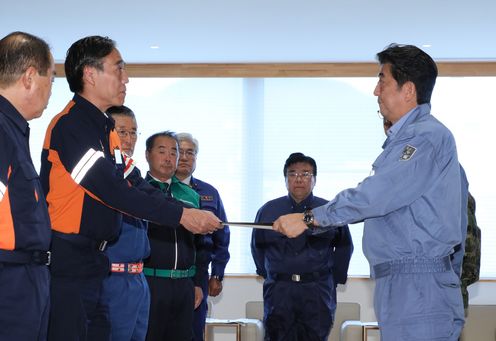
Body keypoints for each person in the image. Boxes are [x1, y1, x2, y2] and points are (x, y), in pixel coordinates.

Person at [273, 44, 465, 341]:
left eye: (382, 81)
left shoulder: (425, 138)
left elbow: (376, 195)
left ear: (408, 90)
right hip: (409, 283)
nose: (376, 91)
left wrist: (309, 219)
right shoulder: (413, 142)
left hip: (417, 285)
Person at [40, 35, 221, 341]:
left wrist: (186, 211)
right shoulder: (71, 126)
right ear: (90, 74)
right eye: (118, 69)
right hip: (68, 259)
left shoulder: (106, 132)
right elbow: (110, 189)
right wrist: (179, 216)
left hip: (96, 260)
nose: (126, 78)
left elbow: (134, 181)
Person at [251, 152, 353, 341]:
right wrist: (268, 274)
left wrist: (334, 279)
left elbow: (345, 246)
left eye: (305, 174)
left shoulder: (327, 210)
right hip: (280, 290)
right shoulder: (268, 210)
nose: (299, 179)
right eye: (292, 173)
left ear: (314, 180)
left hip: (316, 290)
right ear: (285, 179)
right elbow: (257, 246)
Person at [0, 31, 55, 341]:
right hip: (10, 283)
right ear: (30, 77)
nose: (50, 91)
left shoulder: (13, 129)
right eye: (52, 79)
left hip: (27, 278)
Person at [143, 131, 208, 341]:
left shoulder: (191, 195)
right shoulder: (136, 192)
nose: (169, 158)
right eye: (162, 151)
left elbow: (201, 244)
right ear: (147, 155)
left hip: (184, 285)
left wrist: (198, 282)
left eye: (174, 152)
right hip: (150, 281)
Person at [101, 105, 150, 341]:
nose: (129, 139)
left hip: (139, 279)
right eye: (122, 131)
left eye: (133, 133)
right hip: (112, 278)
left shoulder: (134, 174)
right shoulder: (102, 174)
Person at [175, 132, 231, 341]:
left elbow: (222, 236)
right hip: (162, 271)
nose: (185, 157)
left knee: (193, 330)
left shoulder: (209, 192)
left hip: (198, 271)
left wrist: (217, 274)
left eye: (191, 152)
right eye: (180, 151)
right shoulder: (157, 188)